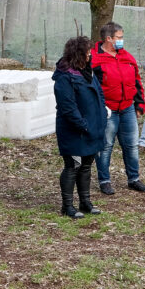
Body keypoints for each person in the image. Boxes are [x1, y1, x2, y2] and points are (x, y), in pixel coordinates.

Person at [91, 22, 145, 194]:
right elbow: (91, 87)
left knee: (131, 145)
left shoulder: (127, 57)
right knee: (106, 145)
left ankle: (134, 178)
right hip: (107, 110)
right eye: (119, 37)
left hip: (127, 108)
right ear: (109, 39)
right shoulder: (95, 60)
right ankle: (105, 180)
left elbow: (137, 81)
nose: (122, 40)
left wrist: (139, 104)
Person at [52, 36, 107, 218]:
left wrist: (101, 117)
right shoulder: (65, 76)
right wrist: (83, 125)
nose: (91, 55)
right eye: (87, 52)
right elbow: (68, 107)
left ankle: (85, 202)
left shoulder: (87, 71)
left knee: (86, 166)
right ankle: (67, 206)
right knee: (73, 165)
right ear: (78, 54)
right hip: (75, 132)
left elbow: (99, 94)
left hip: (92, 129)